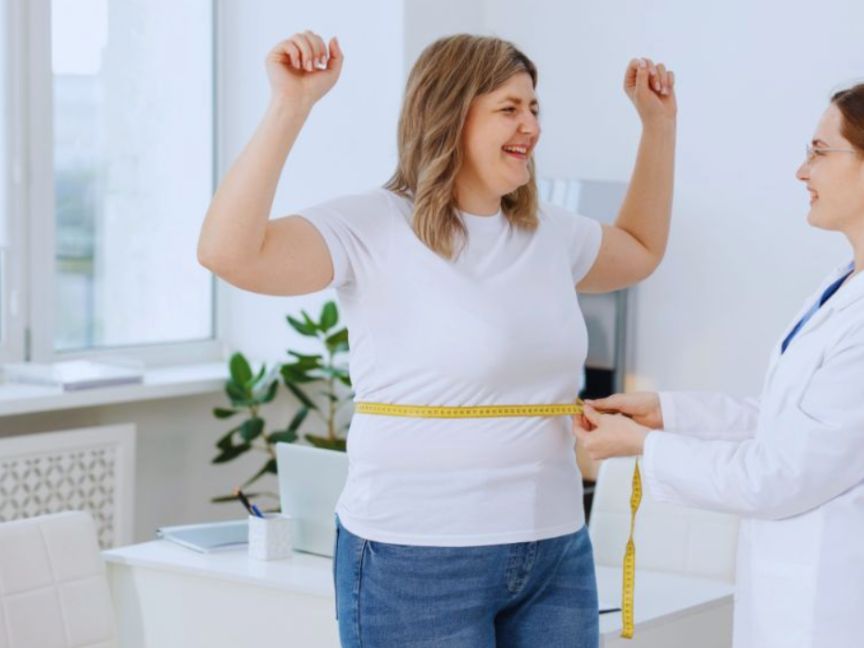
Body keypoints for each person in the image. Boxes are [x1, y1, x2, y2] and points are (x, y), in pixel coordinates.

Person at [197, 31, 677, 647]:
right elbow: (229, 253)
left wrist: (657, 128)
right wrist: (291, 106)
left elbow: (638, 251)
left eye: (534, 108)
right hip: (418, 556)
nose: (529, 124)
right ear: (450, 113)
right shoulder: (371, 226)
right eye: (509, 108)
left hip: (553, 550)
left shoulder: (547, 233)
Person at [576, 79, 864, 648]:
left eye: (819, 152)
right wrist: (667, 414)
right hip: (799, 607)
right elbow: (788, 421)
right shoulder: (851, 287)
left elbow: (780, 476)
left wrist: (641, 448)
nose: (803, 171)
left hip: (846, 619)